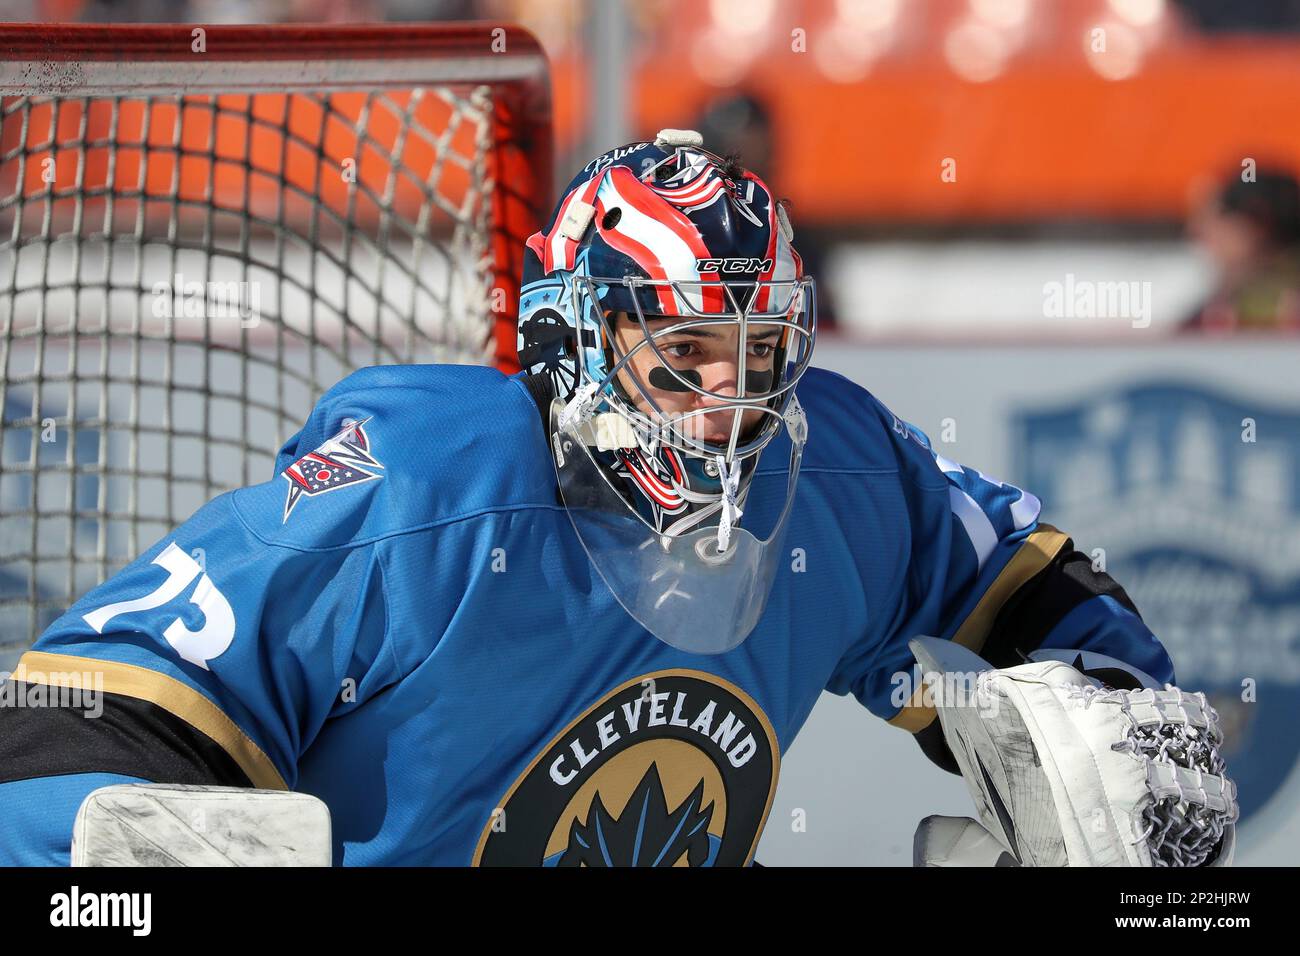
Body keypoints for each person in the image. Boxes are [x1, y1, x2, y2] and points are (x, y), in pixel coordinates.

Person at [0, 130, 1234, 866]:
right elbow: (88, 700)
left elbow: (1019, 586)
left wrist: (1109, 711)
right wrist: (120, 846)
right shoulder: (429, 488)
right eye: (684, 352)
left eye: (757, 357)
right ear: (570, 340)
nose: (725, 403)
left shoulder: (839, 480)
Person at [1183, 166, 1300, 332]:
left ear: (1259, 223)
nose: (1196, 231)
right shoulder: (1212, 309)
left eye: (1219, 214)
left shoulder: (1229, 314)